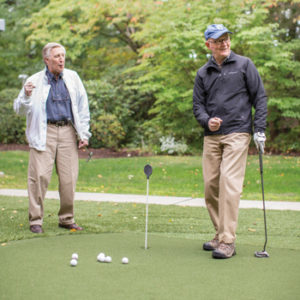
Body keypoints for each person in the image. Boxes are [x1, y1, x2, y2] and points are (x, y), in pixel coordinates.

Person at [193, 24, 267, 259]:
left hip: (238, 132)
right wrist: (207, 121)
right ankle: (219, 233)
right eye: (219, 40)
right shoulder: (203, 73)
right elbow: (197, 106)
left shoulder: (245, 65)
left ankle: (227, 241)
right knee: (210, 187)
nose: (224, 43)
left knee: (229, 183)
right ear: (209, 45)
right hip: (212, 137)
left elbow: (260, 97)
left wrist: (260, 129)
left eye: (226, 39)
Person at [14, 42, 91, 233]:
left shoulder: (72, 78)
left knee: (69, 178)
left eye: (63, 55)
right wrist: (25, 95)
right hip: (44, 132)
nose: (61, 59)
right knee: (38, 177)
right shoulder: (34, 81)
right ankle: (36, 221)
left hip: (67, 132)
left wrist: (84, 134)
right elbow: (19, 109)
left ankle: (66, 219)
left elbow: (82, 108)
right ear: (46, 59)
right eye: (57, 56)